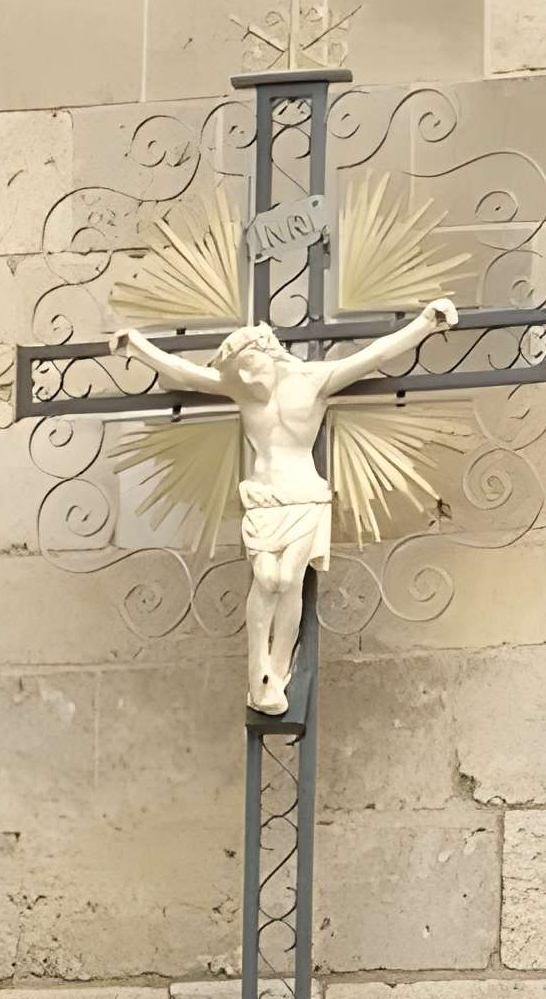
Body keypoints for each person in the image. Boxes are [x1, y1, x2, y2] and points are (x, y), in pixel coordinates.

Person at [111, 300, 459, 713]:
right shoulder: (242, 390)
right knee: (266, 577)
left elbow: (375, 355)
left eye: (249, 365)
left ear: (269, 352)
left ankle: (277, 674)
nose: (243, 375)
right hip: (263, 496)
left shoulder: (313, 381)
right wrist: (136, 347)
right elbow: (185, 374)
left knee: (288, 579)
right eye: (237, 370)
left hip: (303, 494)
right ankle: (257, 669)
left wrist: (424, 324)